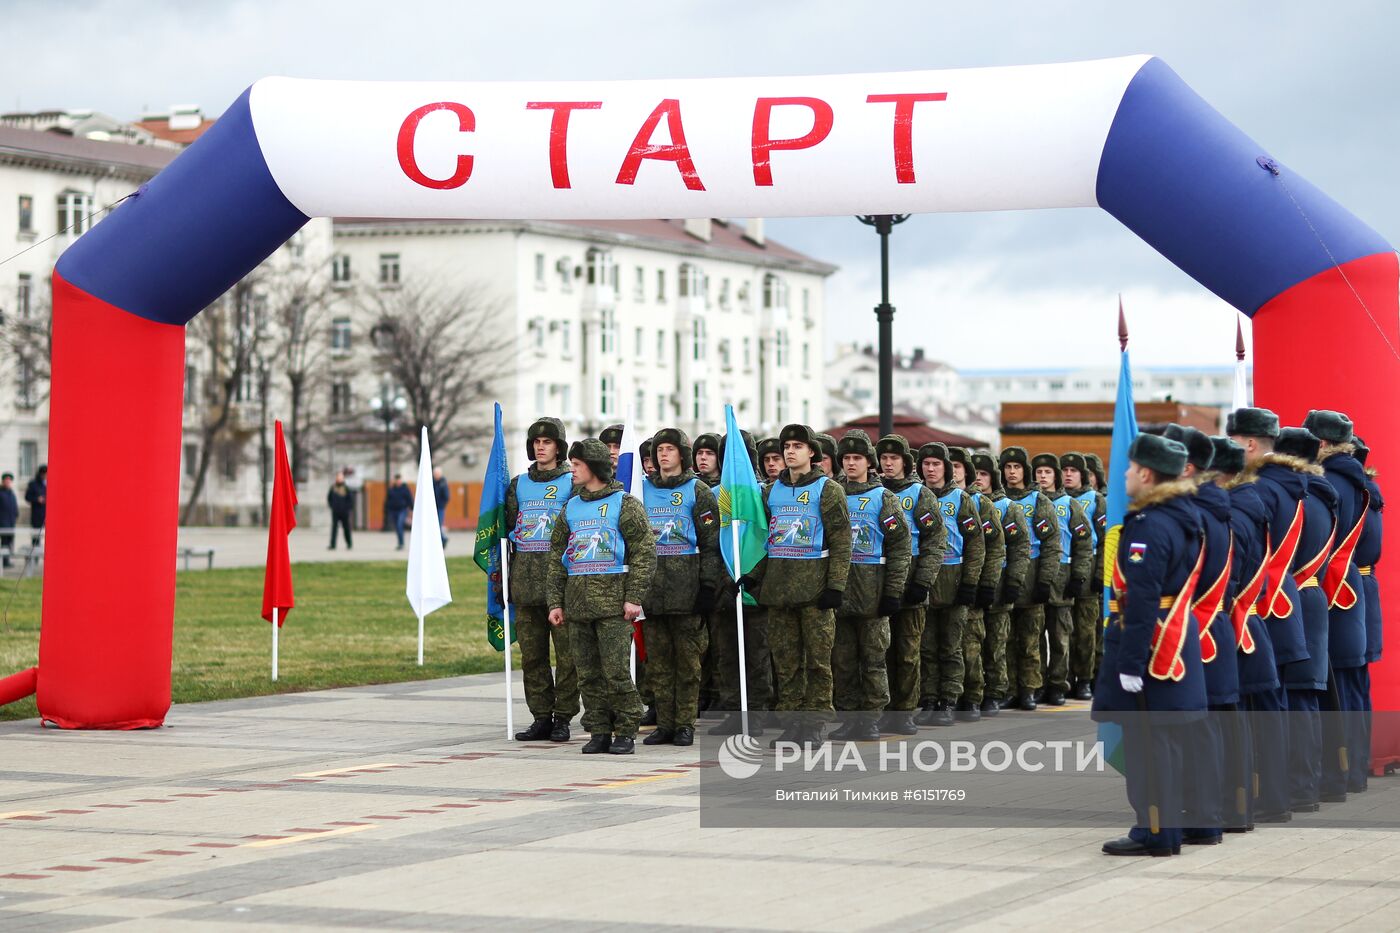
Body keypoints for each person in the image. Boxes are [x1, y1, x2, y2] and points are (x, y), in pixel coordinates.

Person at [1094, 433, 1206, 858]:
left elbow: (1141, 597)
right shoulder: (1182, 515)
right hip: (1174, 636)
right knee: (1164, 744)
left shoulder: (1150, 524)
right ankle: (1164, 828)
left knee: (1148, 746)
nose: (1123, 475)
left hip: (1155, 644)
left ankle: (1155, 830)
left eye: (1128, 468)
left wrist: (1131, 662)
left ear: (1146, 472)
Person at [740, 423, 853, 747]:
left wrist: (836, 586)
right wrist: (755, 574)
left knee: (817, 662)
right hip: (779, 592)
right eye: (786, 446)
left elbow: (842, 542)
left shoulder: (827, 489)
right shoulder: (771, 490)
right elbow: (769, 540)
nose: (790, 452)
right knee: (786, 663)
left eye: (797, 446)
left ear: (812, 453)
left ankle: (815, 723)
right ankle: (791, 724)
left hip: (815, 593)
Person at [546, 438, 656, 755]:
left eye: (577, 466)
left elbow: (644, 553)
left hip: (613, 606)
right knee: (588, 675)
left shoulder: (625, 504)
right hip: (577, 606)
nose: (572, 471)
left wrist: (634, 597)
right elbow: (557, 559)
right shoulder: (570, 507)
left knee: (616, 672)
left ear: (593, 468)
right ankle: (599, 729)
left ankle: (625, 729)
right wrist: (555, 602)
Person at [1227, 407, 1309, 822]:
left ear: (1251, 444)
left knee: (1260, 711)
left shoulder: (1257, 489)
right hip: (1277, 604)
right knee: (1274, 709)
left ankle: (1266, 796)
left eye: (1233, 445)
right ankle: (1279, 794)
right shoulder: (1289, 484)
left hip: (1256, 609)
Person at [1163, 424, 1236, 845]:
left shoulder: (1196, 513)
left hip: (1193, 629)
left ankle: (1202, 816)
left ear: (1187, 466)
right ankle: (1205, 815)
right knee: (1203, 728)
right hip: (1207, 627)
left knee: (1193, 728)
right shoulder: (1214, 507)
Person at [1212, 435, 1279, 833]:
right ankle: (1240, 804)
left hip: (1234, 624)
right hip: (1245, 620)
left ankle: (1235, 805)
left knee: (1230, 719)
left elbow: (1228, 575)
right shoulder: (1246, 502)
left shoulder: (1236, 511)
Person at [1304, 410, 1369, 805]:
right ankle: (1354, 769)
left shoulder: (1331, 482)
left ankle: (1341, 773)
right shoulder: (1358, 479)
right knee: (1353, 686)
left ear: (1324, 444)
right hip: (1351, 586)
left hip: (1335, 588)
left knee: (1340, 688)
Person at [640, 428, 721, 746]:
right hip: (653, 591)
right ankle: (665, 721)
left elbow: (711, 543)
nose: (663, 455)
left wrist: (707, 585)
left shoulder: (697, 490)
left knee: (688, 662)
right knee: (658, 663)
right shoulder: (642, 490)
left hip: (686, 590)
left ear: (682, 455)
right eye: (659, 449)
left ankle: (685, 722)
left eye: (670, 449)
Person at [831, 430, 911, 741]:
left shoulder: (883, 498)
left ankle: (871, 719)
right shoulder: (832, 493)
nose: (851, 463)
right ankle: (849, 717)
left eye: (857, 458)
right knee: (843, 660)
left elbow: (900, 547)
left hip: (872, 594)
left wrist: (893, 591)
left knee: (874, 659)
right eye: (846, 458)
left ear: (869, 463)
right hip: (839, 593)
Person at [1273, 426, 1335, 814]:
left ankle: (1297, 785)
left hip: (1289, 599)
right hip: (1312, 596)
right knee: (1308, 697)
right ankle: (1307, 782)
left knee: (1293, 699)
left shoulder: (1292, 498)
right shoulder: (1322, 498)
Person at [506, 418, 580, 743]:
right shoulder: (518, 484)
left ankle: (563, 716)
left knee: (567, 657)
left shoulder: (572, 483)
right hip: (525, 584)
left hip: (560, 586)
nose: (540, 446)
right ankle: (541, 716)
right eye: (536, 441)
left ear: (559, 446)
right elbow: (509, 528)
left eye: (547, 441)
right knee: (532, 657)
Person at [709, 429, 776, 736]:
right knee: (727, 655)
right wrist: (719, 580)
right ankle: (733, 709)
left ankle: (758, 712)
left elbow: (766, 540)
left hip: (754, 588)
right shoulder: (713, 495)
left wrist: (753, 577)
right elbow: (711, 542)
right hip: (724, 586)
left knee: (757, 654)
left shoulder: (761, 494)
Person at [877, 434, 944, 735]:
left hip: (912, 581)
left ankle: (904, 711)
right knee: (879, 651)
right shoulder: (874, 492)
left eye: (894, 458)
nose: (888, 463)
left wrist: (923, 581)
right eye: (883, 458)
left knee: (907, 651)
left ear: (905, 461)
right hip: (877, 581)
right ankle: (881, 707)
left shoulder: (920, 494)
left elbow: (935, 541)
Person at [915, 442, 985, 726]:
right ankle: (929, 699)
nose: (930, 470)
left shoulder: (961, 499)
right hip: (924, 580)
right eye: (926, 464)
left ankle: (949, 699)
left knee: (951, 646)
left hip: (953, 579)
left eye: (936, 464)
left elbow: (976, 543)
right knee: (927, 646)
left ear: (946, 468)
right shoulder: (917, 495)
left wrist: (970, 582)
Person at [999, 447, 1063, 710]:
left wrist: (1045, 580)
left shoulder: (1039, 501)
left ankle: (1029, 689)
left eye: (1017, 467)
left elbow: (1051, 544)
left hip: (1032, 575)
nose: (1012, 472)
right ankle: (1009, 689)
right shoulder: (997, 500)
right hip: (1003, 575)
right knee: (1006, 640)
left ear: (1025, 470)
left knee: (1030, 640)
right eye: (1007, 467)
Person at [1032, 453, 1094, 707]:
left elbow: (1083, 544)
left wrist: (1079, 576)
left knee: (1059, 636)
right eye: (1039, 472)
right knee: (1033, 637)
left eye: (1048, 472)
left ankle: (1059, 684)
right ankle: (1036, 684)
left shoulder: (1070, 504)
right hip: (1033, 577)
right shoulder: (1030, 502)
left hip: (1062, 578)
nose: (1043, 477)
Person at [972, 451, 1031, 717]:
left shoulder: (1008, 507)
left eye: (983, 474)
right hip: (970, 583)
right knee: (970, 644)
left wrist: (1015, 581)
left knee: (996, 643)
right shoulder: (966, 503)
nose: (978, 479)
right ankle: (971, 692)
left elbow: (1020, 548)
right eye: (974, 473)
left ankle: (995, 693)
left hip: (998, 583)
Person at [951, 446, 1004, 722]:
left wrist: (986, 584)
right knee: (944, 647)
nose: (953, 470)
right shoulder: (935, 498)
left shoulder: (980, 503)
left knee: (972, 644)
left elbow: (993, 548)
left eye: (958, 466)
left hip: (971, 584)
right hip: (945, 584)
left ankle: (973, 696)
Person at [1061, 452, 1106, 700]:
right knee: (1063, 631)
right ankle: (1063, 679)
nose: (1068, 474)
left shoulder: (1096, 500)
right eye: (1064, 470)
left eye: (1073, 471)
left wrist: (1099, 574)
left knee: (1087, 632)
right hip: (1062, 574)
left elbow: (1106, 541)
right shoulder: (1056, 499)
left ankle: (1086, 679)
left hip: (1088, 575)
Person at [1353, 434, 1383, 791]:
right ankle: (1357, 761)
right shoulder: (1368, 491)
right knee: (1358, 684)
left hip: (1349, 590)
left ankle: (1352, 764)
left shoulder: (1353, 493)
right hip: (1362, 587)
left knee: (1350, 684)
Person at [327, 470, 354, 550]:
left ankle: (349, 543)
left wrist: (347, 509)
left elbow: (350, 501)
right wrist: (332, 506)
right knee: (334, 529)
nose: (339, 478)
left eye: (340, 477)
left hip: (344, 513)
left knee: (346, 528)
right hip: (335, 512)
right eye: (338, 477)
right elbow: (329, 498)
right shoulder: (333, 488)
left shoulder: (346, 488)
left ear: (343, 478)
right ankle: (333, 544)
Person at [384, 474, 413, 550]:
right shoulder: (391, 489)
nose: (398, 481)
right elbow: (388, 500)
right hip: (393, 510)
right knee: (397, 527)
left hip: (402, 510)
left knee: (399, 524)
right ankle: (400, 542)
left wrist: (411, 509)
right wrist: (387, 509)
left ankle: (401, 543)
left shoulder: (405, 489)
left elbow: (409, 499)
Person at [25, 465, 46, 547]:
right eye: (44, 474)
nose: (45, 476)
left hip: (47, 514)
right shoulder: (33, 484)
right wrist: (37, 499)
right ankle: (35, 558)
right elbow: (27, 497)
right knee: (36, 538)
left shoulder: (50, 483)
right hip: (37, 515)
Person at [0, 473, 16, 568]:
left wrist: (15, 514)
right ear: (3, 481)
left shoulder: (11, 492)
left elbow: (13, 506)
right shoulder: (1, 492)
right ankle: (4, 562)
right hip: (3, 522)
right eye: (6, 481)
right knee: (5, 543)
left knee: (9, 542)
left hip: (11, 522)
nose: (8, 482)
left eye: (9, 481)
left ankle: (7, 560)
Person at [432, 467, 450, 547]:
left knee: (438, 525)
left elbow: (446, 496)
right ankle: (443, 539)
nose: (436, 475)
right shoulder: (432, 482)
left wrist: (442, 504)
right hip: (433, 507)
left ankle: (443, 539)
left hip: (440, 508)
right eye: (435, 474)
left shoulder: (443, 483)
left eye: (437, 474)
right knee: (434, 526)